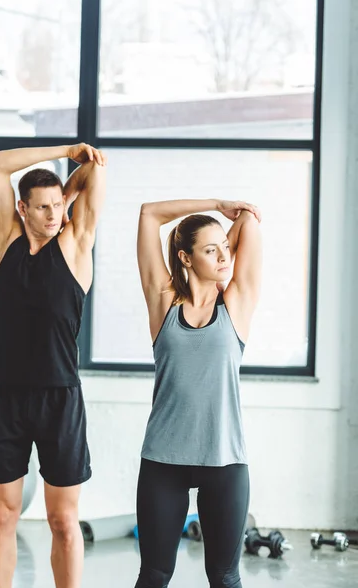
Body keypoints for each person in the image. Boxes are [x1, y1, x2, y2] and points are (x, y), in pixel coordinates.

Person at [0, 142, 106, 588]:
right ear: (22, 208)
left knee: (62, 519)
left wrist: (66, 192)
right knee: (2, 512)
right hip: (6, 397)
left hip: (61, 399)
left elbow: (95, 169)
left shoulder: (75, 246)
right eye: (43, 207)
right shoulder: (6, 240)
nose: (53, 214)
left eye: (58, 205)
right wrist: (63, 150)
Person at [134, 198, 262, 588]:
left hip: (224, 460)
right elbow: (148, 214)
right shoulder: (163, 301)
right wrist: (215, 204)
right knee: (154, 574)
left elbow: (249, 221)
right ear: (185, 258)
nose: (224, 256)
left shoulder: (237, 303)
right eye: (210, 251)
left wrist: (225, 231)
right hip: (163, 460)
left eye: (226, 247)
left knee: (224, 576)